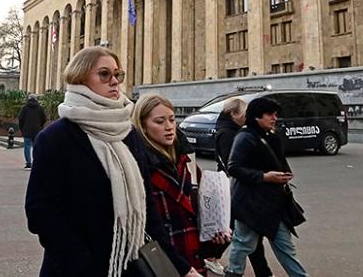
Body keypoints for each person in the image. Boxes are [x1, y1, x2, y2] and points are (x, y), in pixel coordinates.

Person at [25, 47, 147, 277]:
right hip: (74, 269)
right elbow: (40, 210)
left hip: (127, 263)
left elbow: (148, 202)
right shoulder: (55, 138)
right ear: (80, 78)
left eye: (117, 74)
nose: (114, 81)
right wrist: (80, 263)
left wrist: (178, 264)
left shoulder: (128, 133)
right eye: (104, 74)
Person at [133, 94, 229, 277]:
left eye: (172, 119)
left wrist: (215, 236)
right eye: (160, 121)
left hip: (192, 258)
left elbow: (197, 216)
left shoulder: (186, 162)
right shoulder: (138, 167)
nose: (169, 127)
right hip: (161, 264)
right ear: (143, 126)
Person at [225, 97, 308, 277]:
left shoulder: (270, 136)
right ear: (257, 116)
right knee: (243, 244)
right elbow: (233, 168)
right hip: (250, 205)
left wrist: (284, 175)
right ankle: (233, 273)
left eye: (276, 114)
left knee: (285, 247)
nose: (274, 118)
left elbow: (278, 163)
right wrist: (265, 177)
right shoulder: (245, 137)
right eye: (270, 114)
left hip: (274, 203)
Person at [213, 98, 273, 277]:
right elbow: (232, 164)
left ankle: (262, 272)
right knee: (243, 230)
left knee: (246, 231)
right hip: (235, 188)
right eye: (244, 113)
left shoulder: (233, 130)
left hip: (237, 188)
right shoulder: (227, 133)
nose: (247, 117)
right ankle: (211, 256)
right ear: (233, 114)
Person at [17, 94, 46, 169]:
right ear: (36, 99)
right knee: (36, 147)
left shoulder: (24, 108)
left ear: (28, 99)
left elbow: (20, 119)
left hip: (27, 130)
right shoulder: (40, 108)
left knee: (27, 147)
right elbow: (44, 119)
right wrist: (40, 126)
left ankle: (28, 163)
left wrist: (22, 129)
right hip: (37, 130)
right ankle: (36, 162)